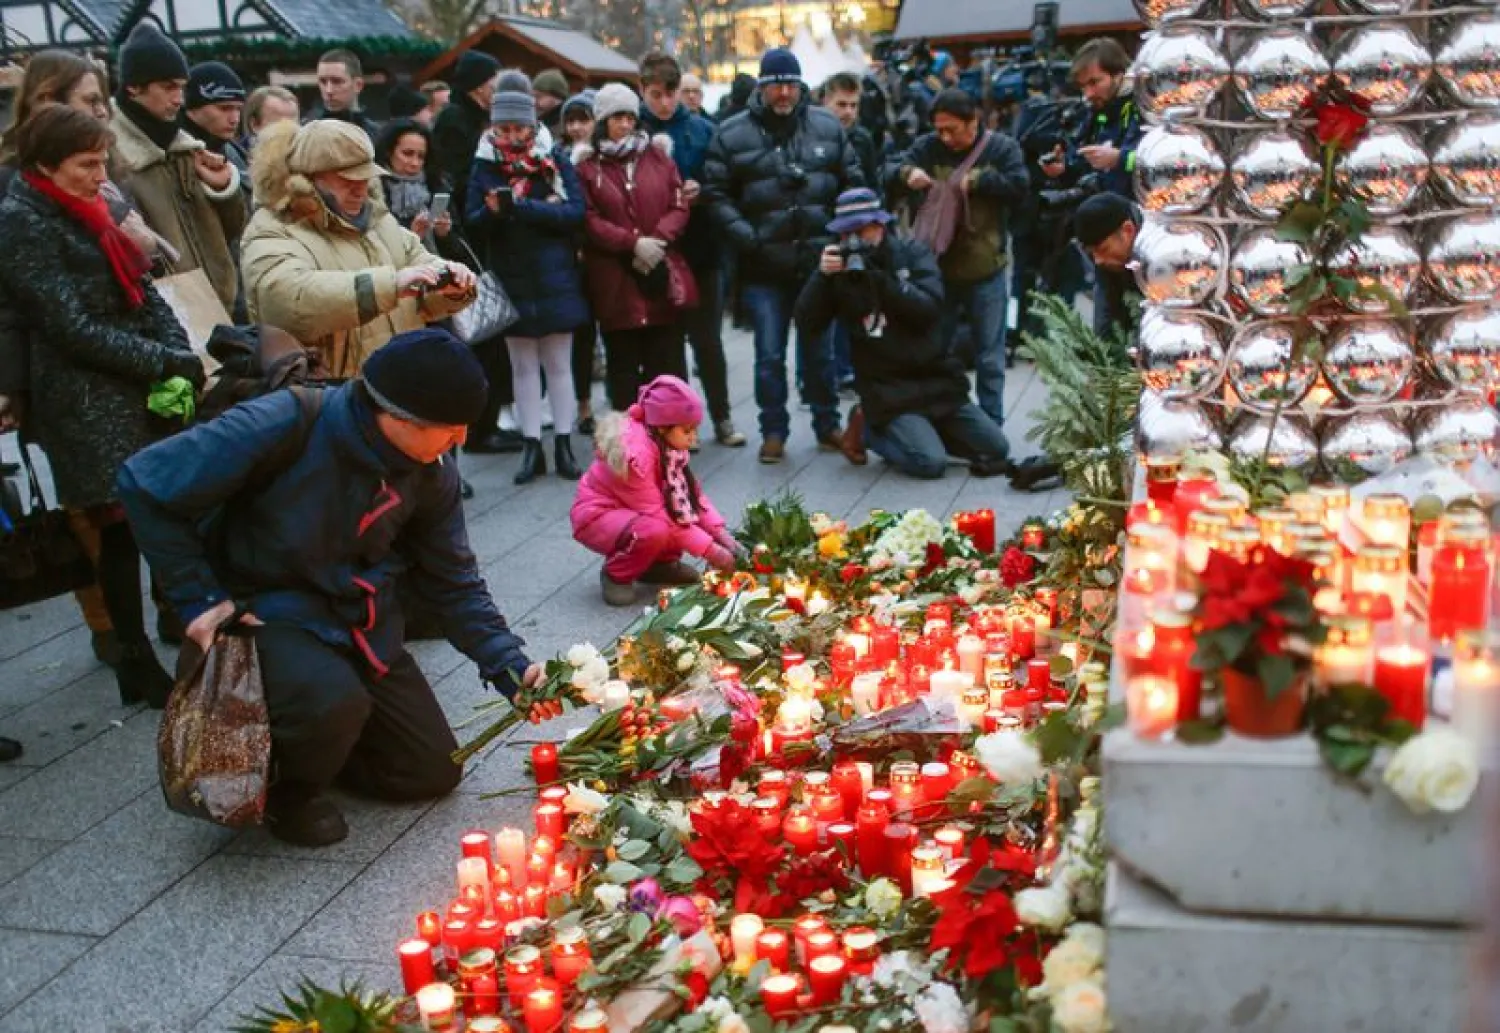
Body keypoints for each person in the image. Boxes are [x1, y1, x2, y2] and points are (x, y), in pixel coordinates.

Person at [118, 329, 542, 847]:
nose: (459, 441)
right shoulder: (284, 421)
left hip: (360, 618)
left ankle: (326, 745)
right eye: (449, 428)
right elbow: (143, 481)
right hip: (266, 608)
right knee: (328, 700)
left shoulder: (432, 471)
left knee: (431, 770)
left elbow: (452, 578)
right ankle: (288, 791)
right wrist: (199, 600)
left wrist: (508, 664)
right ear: (397, 415)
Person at [0, 104, 205, 707]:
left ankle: (159, 644)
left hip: (132, 377)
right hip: (83, 394)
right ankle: (132, 656)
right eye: (87, 164)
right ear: (45, 165)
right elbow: (65, 325)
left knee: (149, 513)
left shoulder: (93, 205)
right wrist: (161, 361)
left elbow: (142, 288)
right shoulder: (21, 220)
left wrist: (175, 347)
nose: (100, 174)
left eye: (102, 161)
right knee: (117, 525)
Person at [703, 47, 861, 464]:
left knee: (820, 354)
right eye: (776, 85)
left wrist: (840, 236)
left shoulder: (826, 126)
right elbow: (715, 193)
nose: (784, 93)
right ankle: (773, 430)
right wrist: (745, 235)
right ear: (763, 86)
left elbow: (853, 182)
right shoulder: (732, 133)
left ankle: (827, 424)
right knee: (769, 355)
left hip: (817, 264)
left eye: (791, 84)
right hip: (763, 266)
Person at [796, 189, 1010, 480]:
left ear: (880, 225)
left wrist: (883, 281)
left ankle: (922, 433)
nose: (855, 240)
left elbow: (929, 311)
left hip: (937, 381)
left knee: (996, 448)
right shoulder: (839, 268)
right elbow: (808, 323)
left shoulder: (911, 253)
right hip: (888, 390)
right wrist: (821, 278)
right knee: (929, 464)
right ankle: (869, 431)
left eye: (862, 231)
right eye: (847, 234)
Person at [240, 119, 476, 378]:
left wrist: (450, 283)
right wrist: (390, 285)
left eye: (366, 178)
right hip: (325, 397)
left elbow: (420, 265)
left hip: (396, 386)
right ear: (308, 179)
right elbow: (287, 302)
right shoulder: (272, 229)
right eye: (347, 180)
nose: (360, 189)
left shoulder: (381, 222)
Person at [467, 72, 587, 485]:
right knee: (521, 366)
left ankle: (565, 444)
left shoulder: (553, 158)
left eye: (520, 128)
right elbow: (473, 220)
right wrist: (494, 212)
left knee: (558, 364)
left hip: (554, 274)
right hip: (511, 274)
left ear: (534, 124)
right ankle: (531, 445)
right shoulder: (484, 162)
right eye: (504, 129)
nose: (513, 136)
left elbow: (575, 213)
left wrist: (522, 208)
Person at [890, 87, 1028, 431]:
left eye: (952, 129)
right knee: (936, 350)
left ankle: (992, 426)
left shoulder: (1000, 148)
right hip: (937, 272)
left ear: (974, 122)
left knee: (990, 357)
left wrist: (981, 180)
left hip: (986, 269)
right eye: (939, 129)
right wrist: (905, 174)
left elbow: (1020, 186)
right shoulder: (927, 148)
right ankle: (941, 419)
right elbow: (891, 167)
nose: (945, 137)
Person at [638, 51, 744, 447]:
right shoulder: (636, 133)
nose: (664, 103)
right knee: (669, 346)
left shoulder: (701, 129)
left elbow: (723, 178)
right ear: (642, 91)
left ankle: (722, 416)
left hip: (702, 246)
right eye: (655, 95)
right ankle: (683, 424)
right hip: (659, 249)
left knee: (707, 339)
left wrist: (702, 187)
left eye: (670, 94)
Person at [110, 22, 246, 313]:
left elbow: (234, 230)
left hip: (219, 303)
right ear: (133, 87)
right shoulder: (111, 154)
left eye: (182, 88)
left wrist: (223, 188)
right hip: (168, 313)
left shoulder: (187, 148)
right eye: (168, 87)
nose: (179, 99)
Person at [575, 84, 693, 416]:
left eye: (630, 116)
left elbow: (678, 203)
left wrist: (656, 240)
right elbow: (588, 218)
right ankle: (631, 441)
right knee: (623, 368)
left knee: (665, 362)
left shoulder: (658, 157)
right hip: (615, 280)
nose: (625, 124)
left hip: (656, 274)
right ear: (603, 121)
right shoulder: (588, 168)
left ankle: (669, 435)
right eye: (617, 117)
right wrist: (632, 243)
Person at [572, 375, 740, 607]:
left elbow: (692, 499)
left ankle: (658, 566)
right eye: (687, 430)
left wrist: (721, 535)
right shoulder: (634, 458)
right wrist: (712, 552)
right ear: (663, 428)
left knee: (678, 515)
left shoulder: (669, 448)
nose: (694, 437)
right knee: (657, 528)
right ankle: (615, 574)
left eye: (695, 429)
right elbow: (665, 517)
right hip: (597, 516)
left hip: (634, 511)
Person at [431, 51, 521, 457]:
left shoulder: (471, 119)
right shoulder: (456, 121)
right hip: (464, 238)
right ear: (477, 85)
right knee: (482, 338)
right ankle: (481, 429)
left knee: (488, 338)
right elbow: (456, 180)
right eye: (491, 81)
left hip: (472, 234)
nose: (495, 88)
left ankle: (486, 424)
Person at [562, 93, 601, 436]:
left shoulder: (605, 157)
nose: (576, 127)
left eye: (582, 119)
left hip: (606, 253)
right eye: (570, 120)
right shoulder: (559, 159)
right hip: (575, 258)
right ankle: (583, 404)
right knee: (583, 336)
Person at [374, 117, 459, 259]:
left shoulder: (436, 186)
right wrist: (412, 236)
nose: (415, 163)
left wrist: (444, 235)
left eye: (421, 156)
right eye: (407, 154)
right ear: (389, 152)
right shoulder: (375, 189)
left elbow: (458, 252)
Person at [1067, 38, 1141, 200]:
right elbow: (1082, 162)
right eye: (1083, 86)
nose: (1088, 94)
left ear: (1118, 75)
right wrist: (1063, 167)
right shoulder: (1094, 109)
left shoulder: (1146, 106)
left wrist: (1118, 159)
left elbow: (1162, 162)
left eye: (1094, 82)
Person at [1074, 192, 1141, 338]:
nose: (1098, 261)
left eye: (1103, 250)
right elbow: (1105, 320)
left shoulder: (1162, 254)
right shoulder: (1108, 262)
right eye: (1092, 254)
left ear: (1128, 231)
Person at [181, 61, 249, 187]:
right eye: (224, 108)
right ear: (192, 109)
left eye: (238, 109)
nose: (234, 119)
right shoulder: (170, 157)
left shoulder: (237, 155)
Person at [308, 48, 380, 142]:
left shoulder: (377, 136)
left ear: (358, 85)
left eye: (337, 81)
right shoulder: (308, 133)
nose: (328, 90)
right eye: (323, 82)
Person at [243, 85, 300, 151]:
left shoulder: (305, 156)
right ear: (254, 124)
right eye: (279, 123)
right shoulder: (234, 158)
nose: (290, 130)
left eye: (293, 122)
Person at [533, 68, 570, 134]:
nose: (534, 102)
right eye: (533, 96)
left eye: (539, 96)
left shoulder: (568, 126)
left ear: (556, 97)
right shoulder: (541, 121)